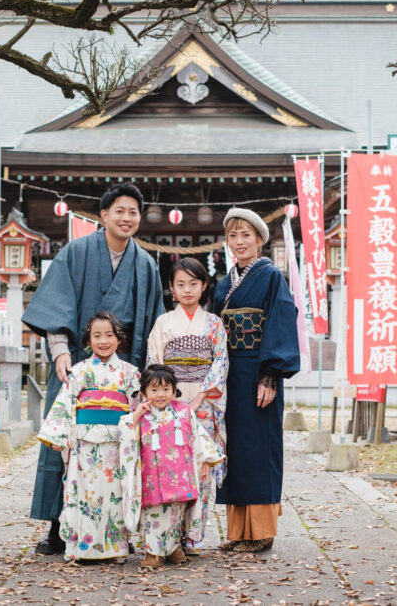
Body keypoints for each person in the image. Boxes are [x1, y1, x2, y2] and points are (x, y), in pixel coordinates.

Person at [23, 183, 165, 554]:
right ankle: (58, 527)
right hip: (76, 367)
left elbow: (154, 323)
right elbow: (55, 307)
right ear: (103, 216)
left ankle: (116, 529)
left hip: (124, 372)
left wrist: (151, 377)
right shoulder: (76, 252)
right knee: (66, 445)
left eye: (133, 212)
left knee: (123, 452)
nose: (127, 218)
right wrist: (58, 353)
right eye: (119, 210)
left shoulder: (146, 265)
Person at [212, 208, 300, 553]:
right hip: (231, 372)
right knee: (234, 448)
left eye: (245, 234)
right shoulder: (223, 285)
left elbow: (280, 321)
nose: (239, 242)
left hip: (259, 372)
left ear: (260, 239)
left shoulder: (271, 277)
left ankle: (262, 530)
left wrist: (270, 374)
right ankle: (238, 532)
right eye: (232, 236)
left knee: (259, 447)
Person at [36, 312, 142, 561]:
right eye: (97, 335)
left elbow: (137, 409)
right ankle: (80, 548)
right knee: (84, 495)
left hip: (117, 443)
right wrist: (59, 435)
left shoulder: (130, 373)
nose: (103, 340)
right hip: (84, 445)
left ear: (119, 339)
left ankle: (116, 549)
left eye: (109, 335)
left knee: (114, 495)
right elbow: (65, 403)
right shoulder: (79, 371)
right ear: (88, 339)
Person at [145, 257, 228, 555]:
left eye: (194, 283)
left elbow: (220, 362)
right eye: (180, 284)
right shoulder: (163, 323)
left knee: (200, 467)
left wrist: (200, 397)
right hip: (168, 403)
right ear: (172, 289)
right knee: (170, 467)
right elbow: (155, 363)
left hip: (204, 403)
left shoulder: (214, 324)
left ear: (204, 286)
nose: (187, 289)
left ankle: (193, 535)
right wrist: (163, 397)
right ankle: (169, 535)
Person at [119, 365, 225, 568]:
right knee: (153, 513)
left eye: (166, 389)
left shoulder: (184, 411)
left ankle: (171, 547)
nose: (161, 395)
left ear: (174, 390)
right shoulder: (141, 414)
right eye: (154, 389)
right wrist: (136, 416)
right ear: (143, 392)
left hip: (179, 474)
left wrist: (206, 459)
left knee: (176, 513)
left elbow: (198, 436)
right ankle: (153, 551)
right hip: (152, 476)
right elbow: (124, 432)